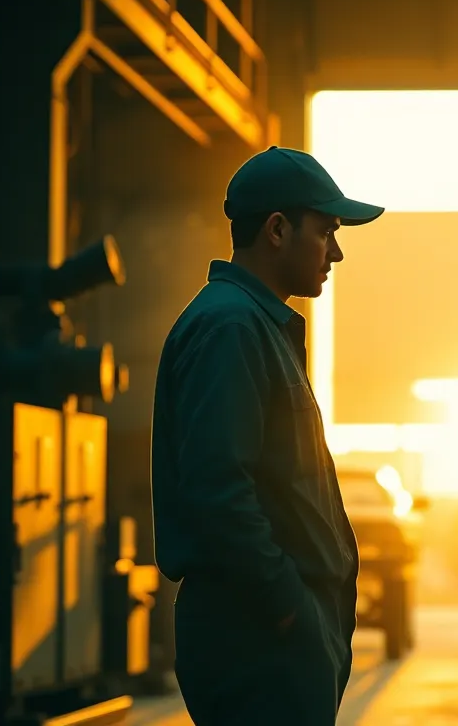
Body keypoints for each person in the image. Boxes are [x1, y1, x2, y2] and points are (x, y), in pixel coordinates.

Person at [150, 146, 384, 724]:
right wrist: (288, 609)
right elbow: (218, 493)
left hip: (272, 640)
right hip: (259, 644)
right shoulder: (231, 328)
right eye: (326, 231)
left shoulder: (253, 324)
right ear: (278, 230)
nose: (336, 252)